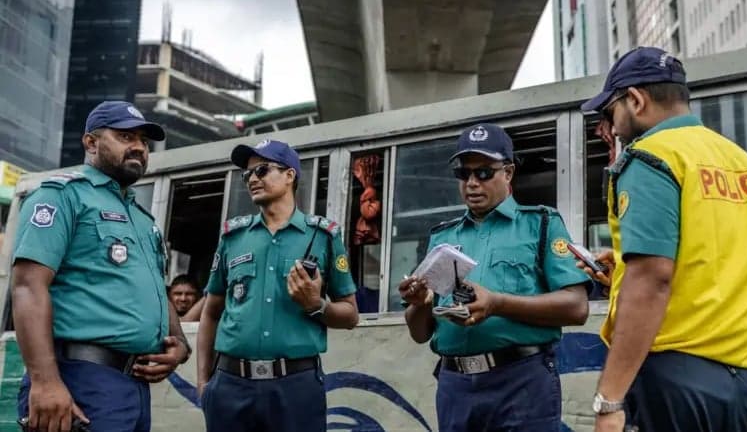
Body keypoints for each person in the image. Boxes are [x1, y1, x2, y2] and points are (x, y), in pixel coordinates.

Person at [580, 47, 747, 432]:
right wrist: (622, 268)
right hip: (746, 388)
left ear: (635, 99)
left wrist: (610, 399)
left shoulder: (651, 156)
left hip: (674, 386)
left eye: (610, 113)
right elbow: (717, 258)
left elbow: (652, 279)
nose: (612, 128)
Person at [11, 101, 191, 432]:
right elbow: (27, 286)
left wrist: (179, 342)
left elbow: (156, 289)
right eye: (125, 136)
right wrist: (45, 381)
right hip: (79, 378)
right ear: (91, 143)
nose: (138, 146)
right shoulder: (61, 196)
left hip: (133, 387)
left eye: (143, 141)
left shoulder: (142, 218)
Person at [399, 123, 590, 432]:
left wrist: (497, 304)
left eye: (484, 172)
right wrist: (420, 304)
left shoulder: (540, 224)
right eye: (464, 174)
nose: (472, 183)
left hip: (522, 381)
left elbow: (576, 306)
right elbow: (421, 333)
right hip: (456, 385)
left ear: (509, 173)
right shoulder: (442, 239)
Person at [196, 139, 359, 432]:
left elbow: (351, 315)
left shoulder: (323, 236)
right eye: (248, 175)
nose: (253, 179)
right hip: (230, 385)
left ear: (289, 175)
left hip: (295, 386)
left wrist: (316, 305)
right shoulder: (233, 236)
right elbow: (211, 312)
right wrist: (204, 383)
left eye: (262, 170)